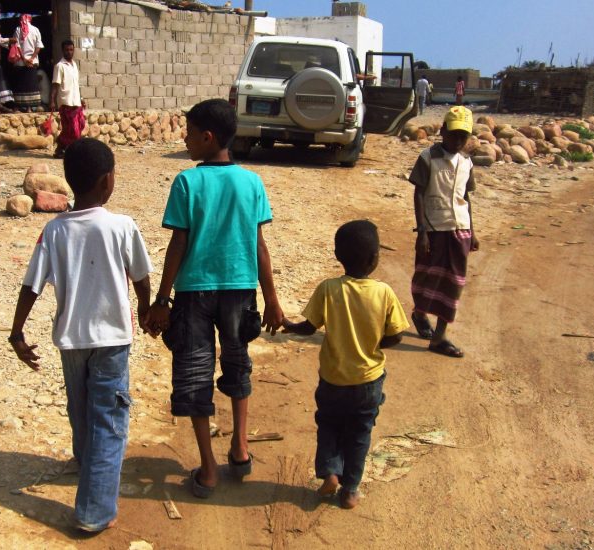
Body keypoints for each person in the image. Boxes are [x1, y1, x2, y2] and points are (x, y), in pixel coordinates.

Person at [8, 138, 153, 532]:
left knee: (81, 408)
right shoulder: (122, 226)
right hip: (112, 340)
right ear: (108, 181)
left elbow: (32, 285)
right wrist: (146, 309)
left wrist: (17, 332)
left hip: (71, 340)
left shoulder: (54, 230)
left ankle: (85, 463)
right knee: (108, 418)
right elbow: (141, 277)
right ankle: (94, 511)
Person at [145, 99, 284, 498]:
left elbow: (179, 243)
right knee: (237, 364)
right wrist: (271, 299)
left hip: (194, 293)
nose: (185, 140)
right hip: (240, 291)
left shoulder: (187, 182)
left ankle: (208, 468)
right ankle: (239, 447)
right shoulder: (252, 183)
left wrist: (162, 300)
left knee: (194, 374)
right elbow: (259, 245)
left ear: (207, 137)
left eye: (189, 134)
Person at [281, 220, 408, 510]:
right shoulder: (384, 292)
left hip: (333, 379)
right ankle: (350, 490)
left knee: (329, 425)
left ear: (338, 255)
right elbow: (397, 336)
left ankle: (330, 472)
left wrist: (289, 325)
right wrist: (373, 345)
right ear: (375, 258)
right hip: (368, 381)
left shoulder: (328, 288)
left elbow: (309, 327)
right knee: (360, 433)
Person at [408, 106, 479, 358]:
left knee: (453, 283)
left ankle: (439, 336)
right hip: (434, 229)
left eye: (464, 136)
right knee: (426, 276)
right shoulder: (428, 158)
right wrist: (422, 232)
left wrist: (472, 231)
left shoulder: (466, 162)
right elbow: (418, 193)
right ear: (444, 131)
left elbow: (465, 197)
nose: (458, 140)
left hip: (459, 230)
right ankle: (419, 313)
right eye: (454, 134)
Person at [51, 39, 86, 159]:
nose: (69, 52)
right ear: (63, 51)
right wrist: (52, 101)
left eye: (71, 50)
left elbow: (76, 84)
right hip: (66, 102)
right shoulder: (59, 66)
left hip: (76, 102)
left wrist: (81, 98)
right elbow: (55, 84)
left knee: (80, 125)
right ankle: (71, 151)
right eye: (67, 50)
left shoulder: (74, 65)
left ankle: (60, 148)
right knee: (73, 130)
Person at [10, 14, 45, 112]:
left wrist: (24, 59)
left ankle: (18, 107)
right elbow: (38, 46)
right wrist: (32, 58)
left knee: (20, 84)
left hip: (21, 62)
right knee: (30, 85)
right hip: (32, 62)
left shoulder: (18, 29)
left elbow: (16, 45)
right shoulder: (36, 30)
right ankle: (29, 108)